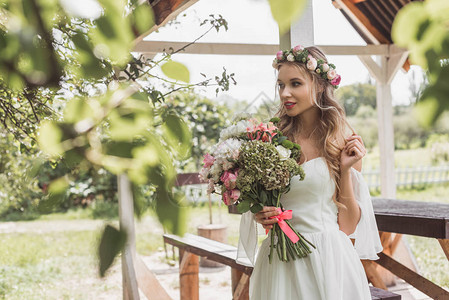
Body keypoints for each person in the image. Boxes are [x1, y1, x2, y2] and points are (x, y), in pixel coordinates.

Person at [236, 45, 383, 299]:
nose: (285, 93)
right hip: (280, 263)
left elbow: (347, 226)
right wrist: (261, 213)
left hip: (327, 259)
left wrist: (346, 170)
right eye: (281, 85)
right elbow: (261, 204)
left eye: (295, 83)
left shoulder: (342, 141)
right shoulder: (270, 138)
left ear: (319, 85)